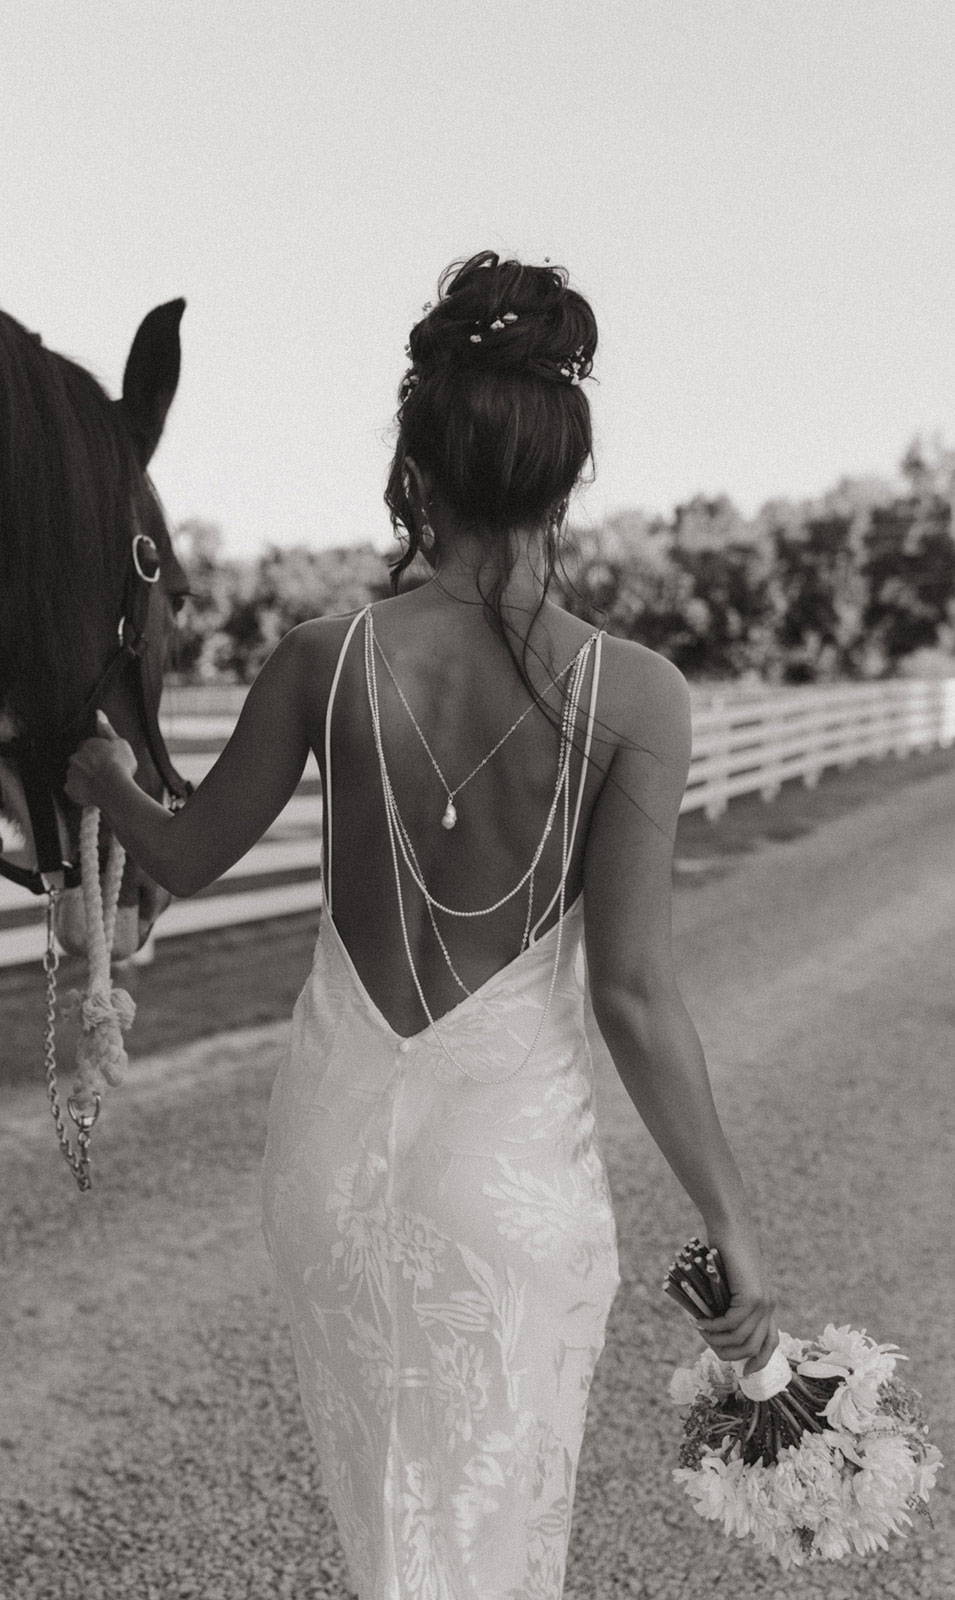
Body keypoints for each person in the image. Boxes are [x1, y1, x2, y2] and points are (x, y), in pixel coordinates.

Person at [66, 251, 779, 1598]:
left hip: (330, 1163)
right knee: (491, 1535)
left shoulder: (321, 658)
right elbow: (633, 995)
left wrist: (104, 774)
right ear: (564, 480)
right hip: (509, 1176)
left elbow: (185, 854)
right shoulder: (636, 699)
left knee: (393, 1520)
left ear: (420, 469)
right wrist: (733, 1220)